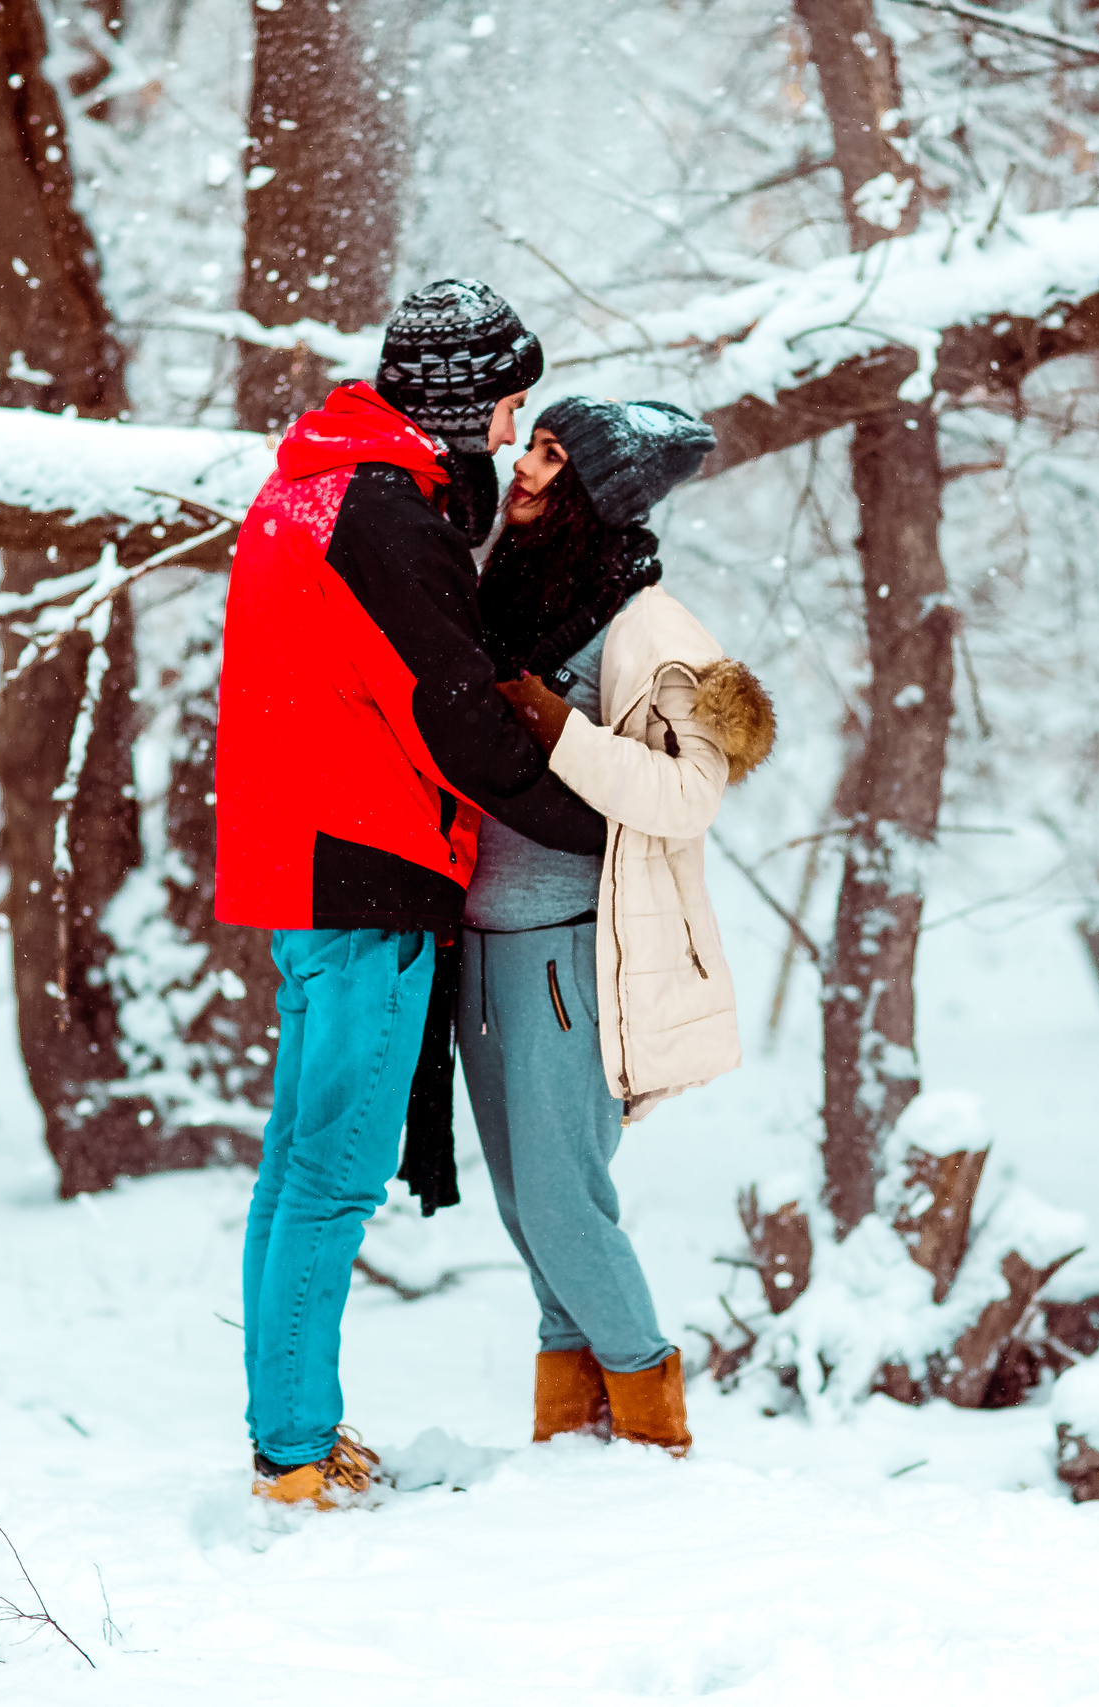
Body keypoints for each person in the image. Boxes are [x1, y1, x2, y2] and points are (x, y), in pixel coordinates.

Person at [214, 281, 607, 1512]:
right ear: (450, 403)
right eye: (504, 405)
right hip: (365, 872)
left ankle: (289, 1433)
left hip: (309, 865)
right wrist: (601, 822)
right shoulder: (380, 516)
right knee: (330, 1173)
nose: (510, 430)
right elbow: (456, 716)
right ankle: (292, 1456)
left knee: (295, 1166)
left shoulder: (321, 484)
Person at [462, 396, 775, 1458]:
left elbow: (690, 796)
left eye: (553, 459)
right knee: (518, 1203)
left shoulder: (648, 626)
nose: (528, 471)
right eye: (533, 446)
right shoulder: (508, 593)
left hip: (563, 947)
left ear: (598, 495)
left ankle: (651, 1422)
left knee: (562, 1200)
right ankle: (573, 1441)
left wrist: (558, 728)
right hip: (478, 944)